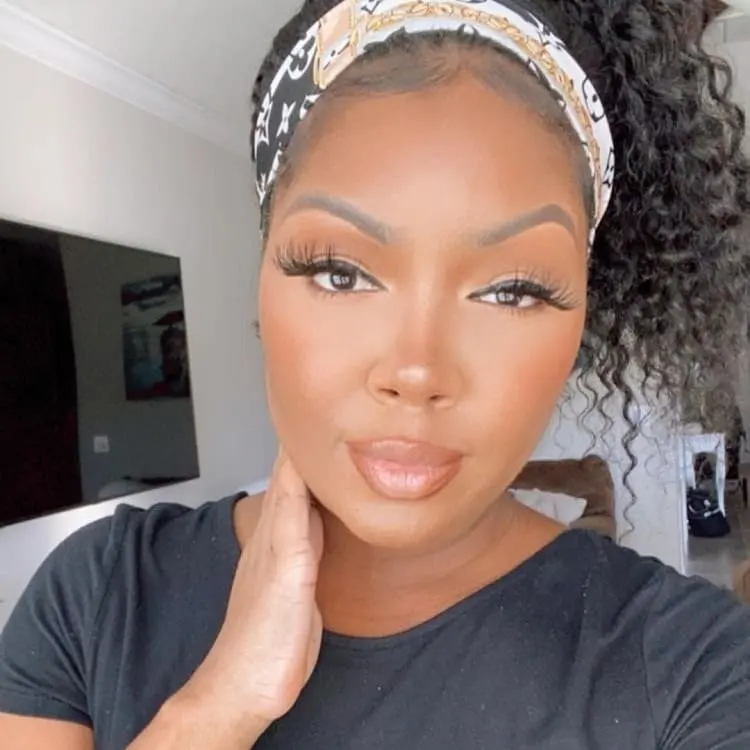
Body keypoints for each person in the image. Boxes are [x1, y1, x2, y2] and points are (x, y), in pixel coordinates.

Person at [2, 0, 750, 747]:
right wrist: (219, 704)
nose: (415, 370)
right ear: (261, 278)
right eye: (339, 272)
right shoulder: (95, 595)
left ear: (583, 314)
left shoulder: (698, 674)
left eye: (513, 290)